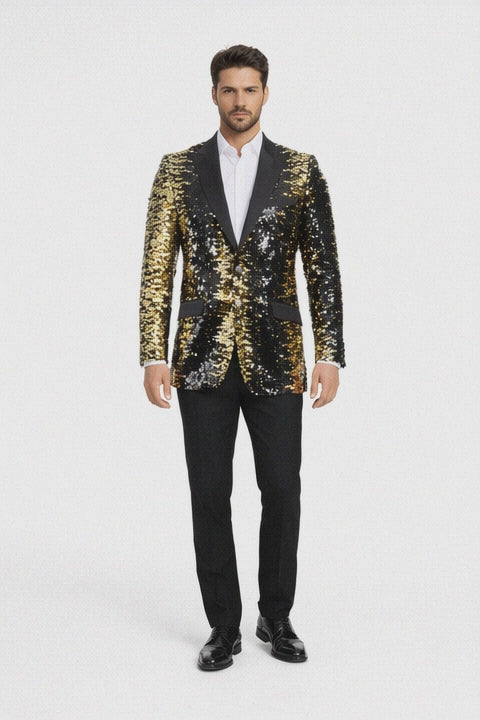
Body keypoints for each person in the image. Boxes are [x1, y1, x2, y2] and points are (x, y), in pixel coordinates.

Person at [140, 44, 345, 671]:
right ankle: (222, 625)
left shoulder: (300, 170)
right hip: (199, 358)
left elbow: (323, 267)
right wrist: (152, 353)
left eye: (249, 89)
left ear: (265, 94)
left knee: (282, 488)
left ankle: (275, 615)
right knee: (209, 493)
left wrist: (330, 352)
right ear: (214, 95)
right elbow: (157, 267)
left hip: (278, 356)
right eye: (228, 90)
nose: (239, 101)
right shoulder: (178, 170)